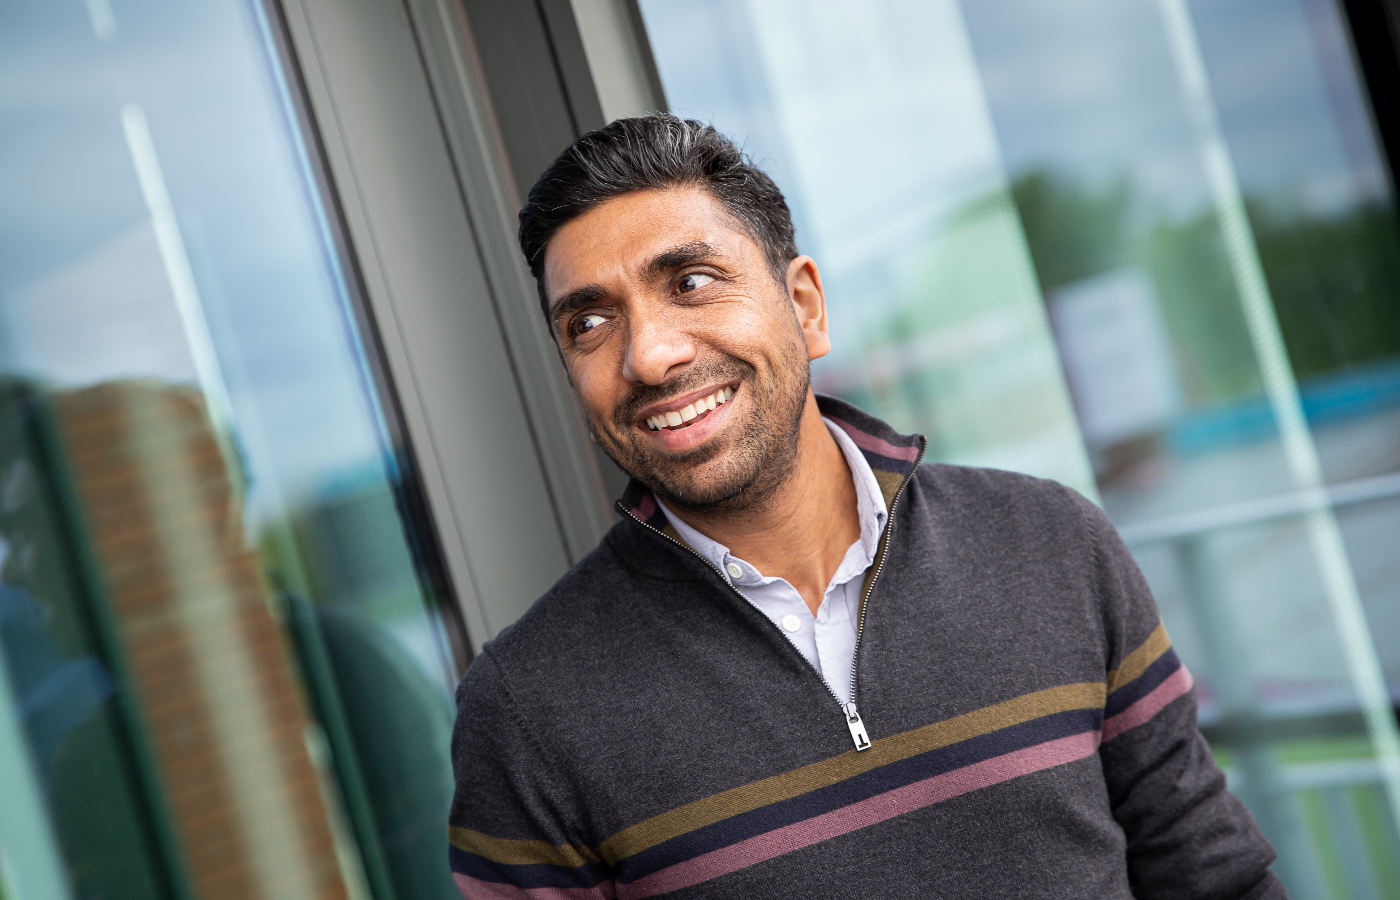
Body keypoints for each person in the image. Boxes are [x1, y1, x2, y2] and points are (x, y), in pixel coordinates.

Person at [447, 115, 1287, 900]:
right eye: (589, 321)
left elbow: (1217, 881)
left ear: (805, 306)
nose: (651, 355)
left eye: (693, 281)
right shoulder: (525, 710)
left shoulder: (1051, 542)